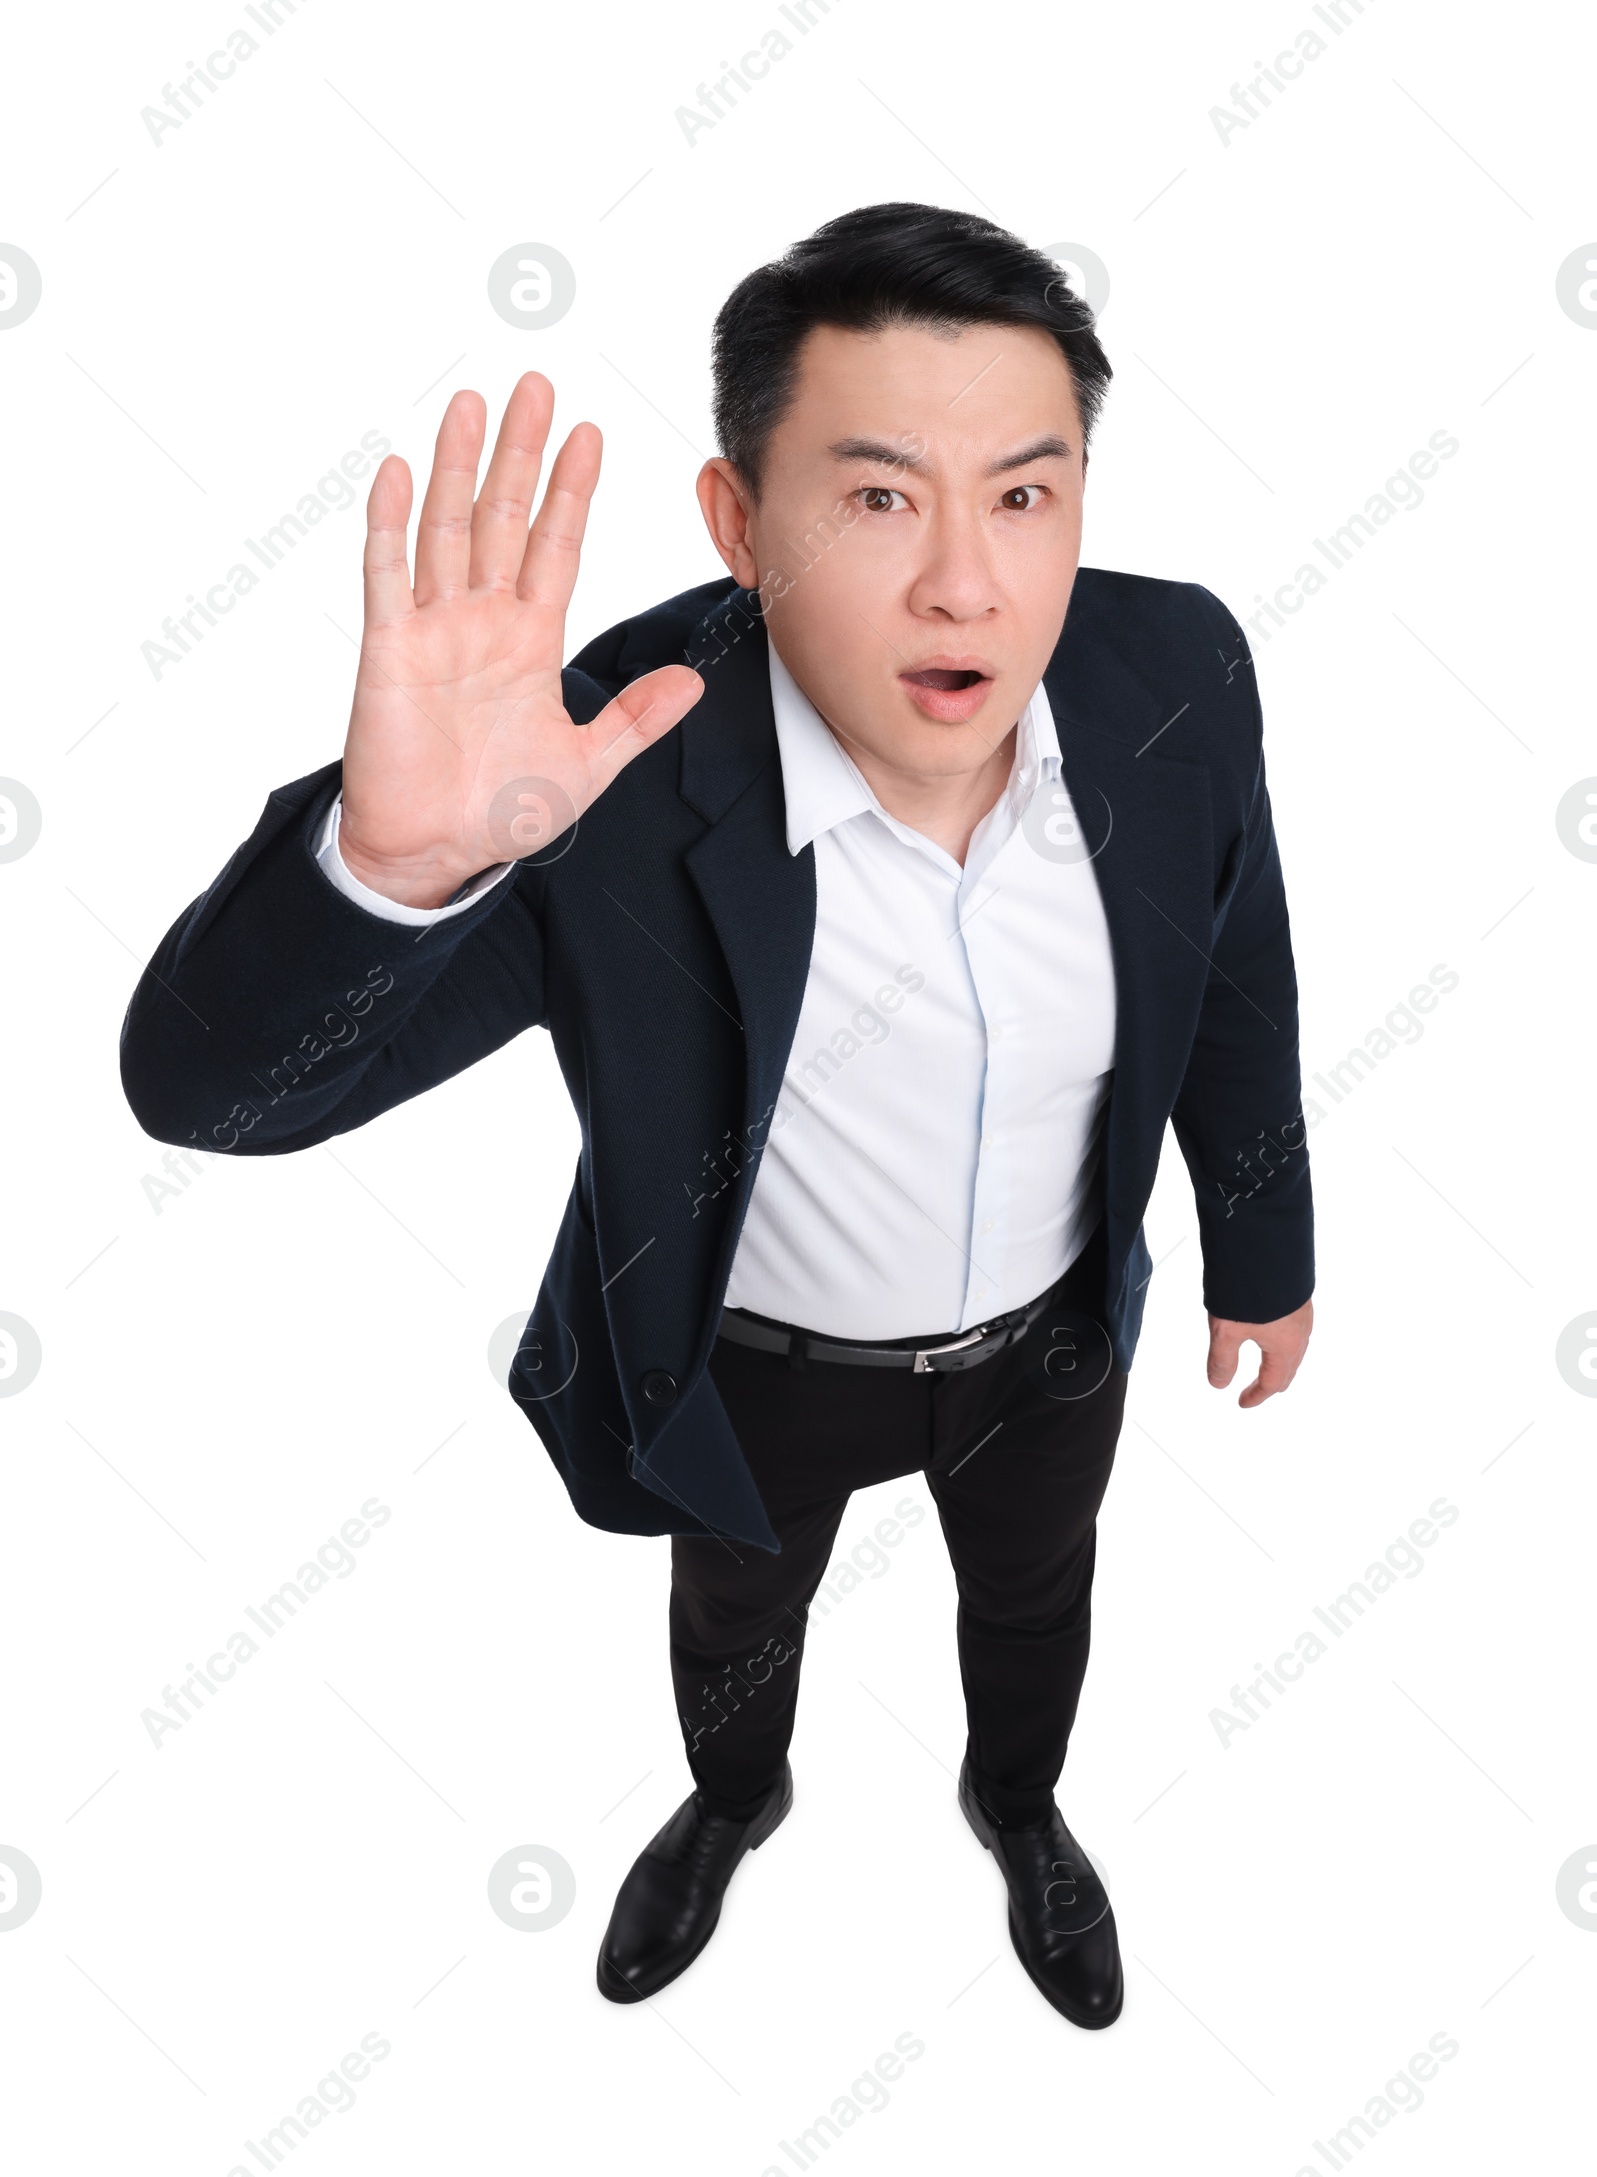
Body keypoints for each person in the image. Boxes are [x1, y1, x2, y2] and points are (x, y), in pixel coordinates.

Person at [121, 202, 1314, 2030]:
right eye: (877, 497)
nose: (967, 588)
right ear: (739, 525)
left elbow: (1238, 958)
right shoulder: (600, 758)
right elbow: (211, 1093)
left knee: (1036, 1591)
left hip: (1052, 1342)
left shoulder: (1178, 675)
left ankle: (1024, 1809)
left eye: (1023, 494)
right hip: (758, 1365)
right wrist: (390, 863)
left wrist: (1263, 1244)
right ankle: (734, 1804)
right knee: (738, 1624)